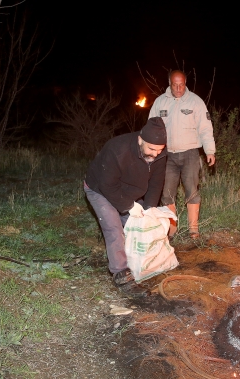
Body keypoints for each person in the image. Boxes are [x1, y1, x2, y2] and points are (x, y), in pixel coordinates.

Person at [84, 117, 167, 297]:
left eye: (159, 150)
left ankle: (139, 261)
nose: (155, 154)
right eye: (151, 149)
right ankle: (120, 273)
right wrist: (129, 205)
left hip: (127, 188)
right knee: (113, 227)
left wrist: (149, 208)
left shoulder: (160, 154)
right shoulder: (118, 149)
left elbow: (156, 184)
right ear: (140, 140)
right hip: (100, 188)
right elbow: (108, 186)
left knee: (138, 223)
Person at [148, 70, 216, 239]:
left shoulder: (196, 102)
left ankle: (193, 229)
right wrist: (149, 152)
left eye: (182, 84)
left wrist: (210, 150)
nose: (178, 88)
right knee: (166, 193)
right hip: (166, 155)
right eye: (175, 85)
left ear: (186, 83)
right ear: (169, 83)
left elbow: (205, 128)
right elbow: (150, 128)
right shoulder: (160, 102)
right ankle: (172, 229)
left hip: (190, 153)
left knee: (192, 190)